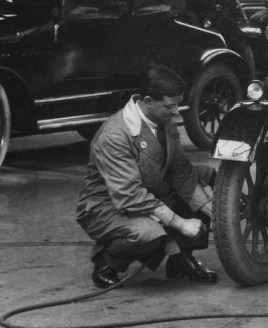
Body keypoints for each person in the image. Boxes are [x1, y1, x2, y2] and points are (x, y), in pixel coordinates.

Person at [76, 63, 219, 288]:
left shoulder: (163, 118)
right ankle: (107, 261)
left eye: (178, 105)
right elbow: (129, 195)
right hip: (108, 206)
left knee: (203, 177)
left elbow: (181, 172)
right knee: (149, 233)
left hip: (148, 191)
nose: (176, 112)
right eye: (170, 106)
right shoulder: (114, 136)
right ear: (148, 101)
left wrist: (216, 212)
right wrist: (180, 223)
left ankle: (181, 260)